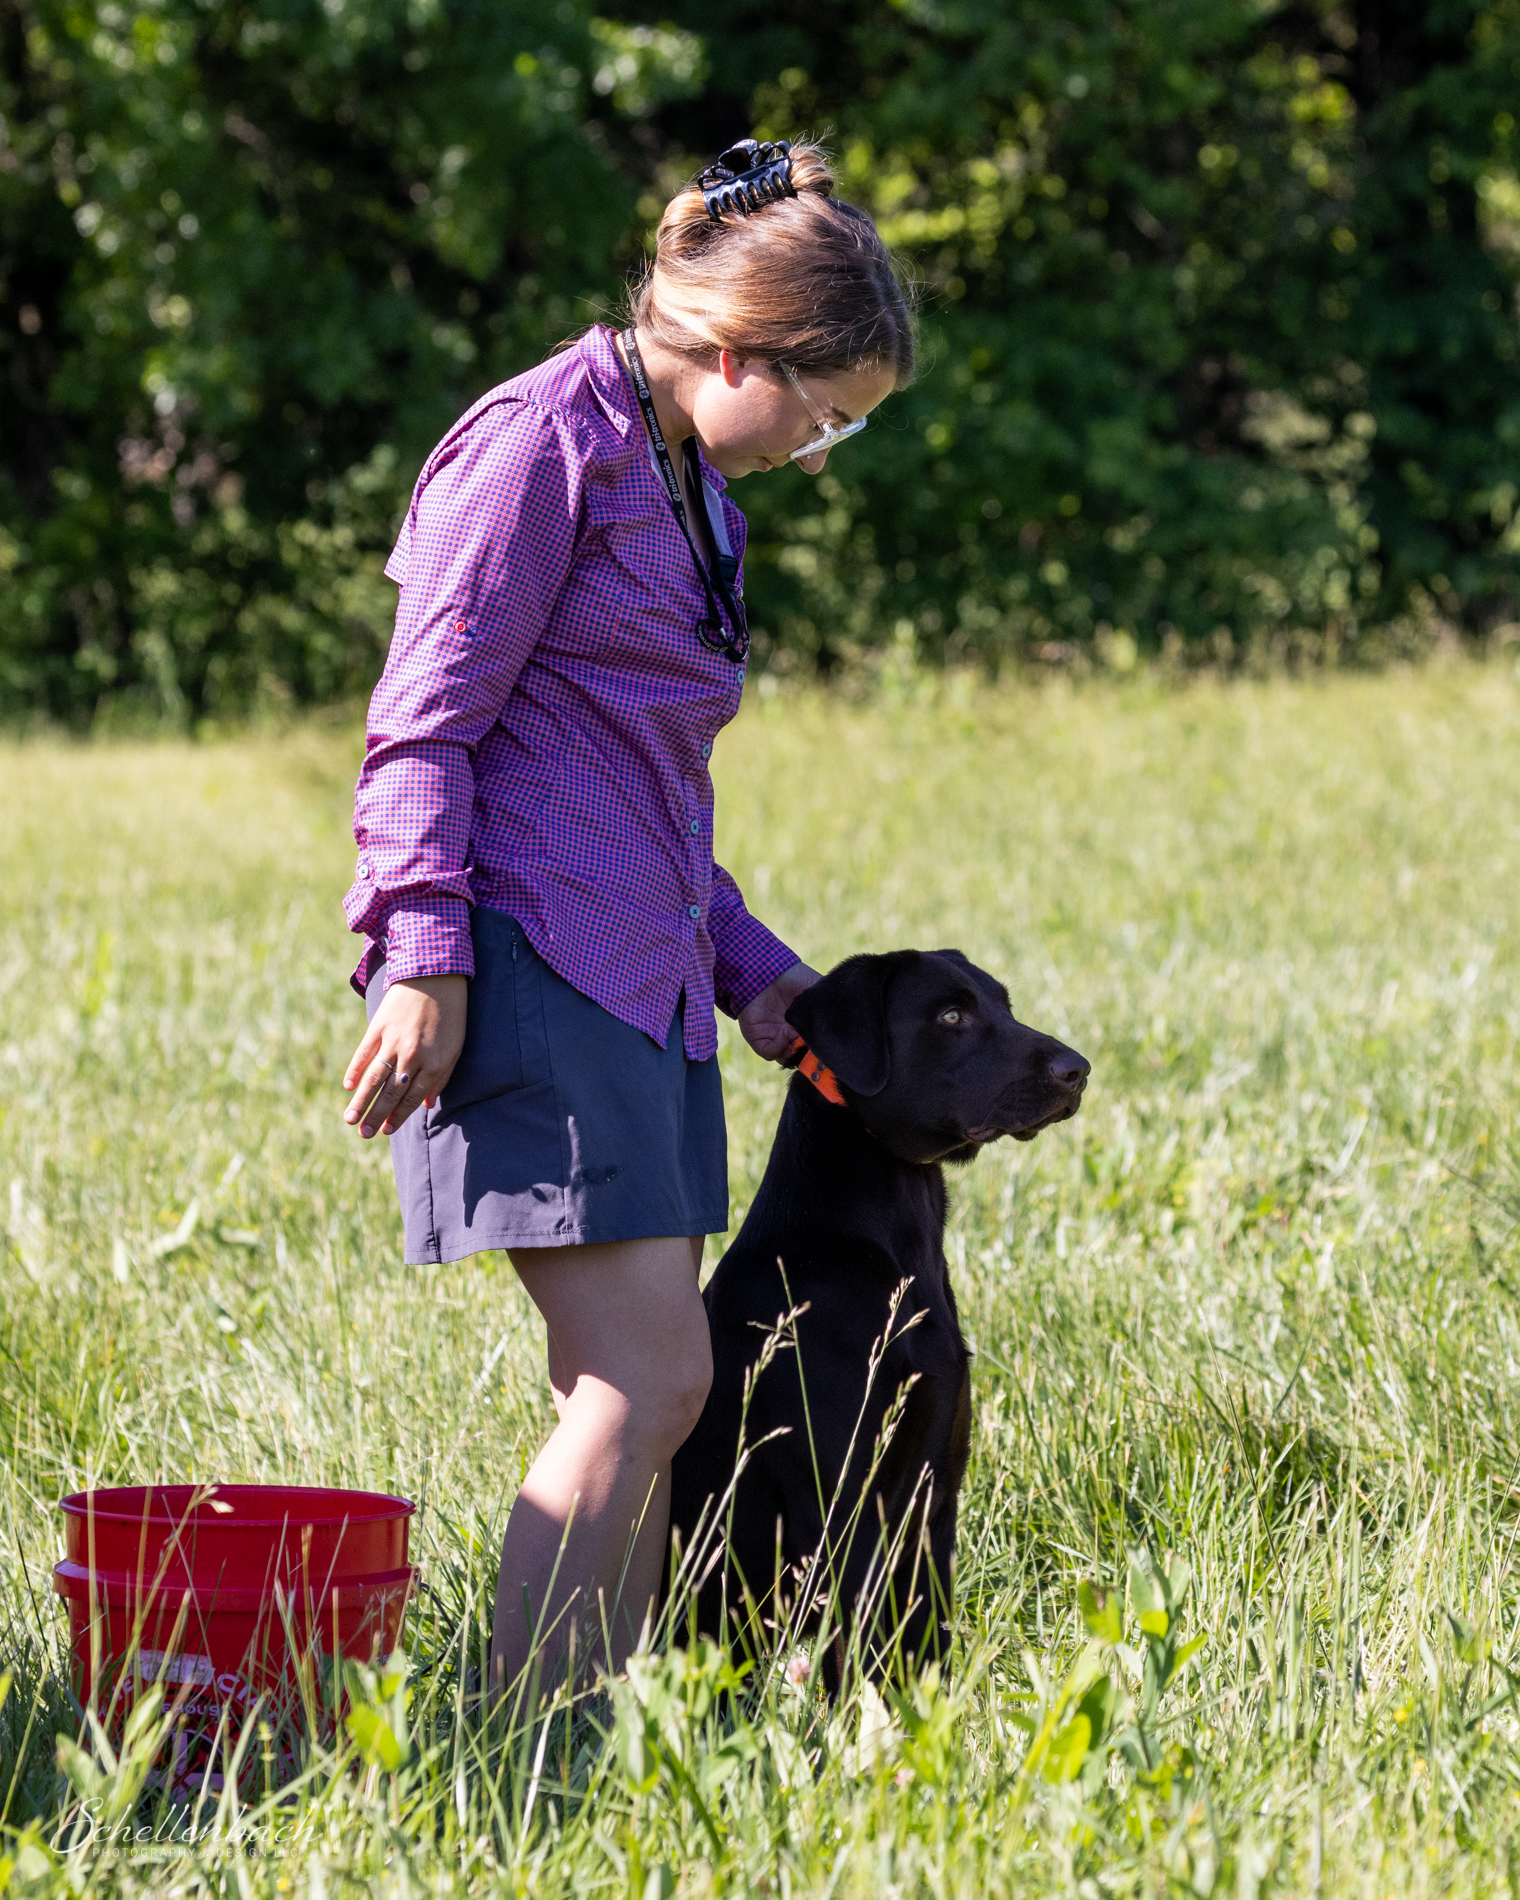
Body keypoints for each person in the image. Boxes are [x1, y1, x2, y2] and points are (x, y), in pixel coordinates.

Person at [338, 137, 915, 1700]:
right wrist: (424, 959)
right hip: (527, 961)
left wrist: (755, 975)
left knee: (643, 1391)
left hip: (644, 978)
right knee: (651, 1380)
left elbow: (641, 784)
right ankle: (521, 1739)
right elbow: (421, 727)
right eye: (824, 414)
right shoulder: (538, 447)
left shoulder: (692, 485)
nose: (823, 454)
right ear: (735, 352)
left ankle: (602, 1727)